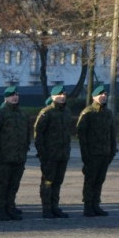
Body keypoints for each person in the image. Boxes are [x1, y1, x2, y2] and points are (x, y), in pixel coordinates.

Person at [0, 85, 30, 221]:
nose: (15, 97)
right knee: (2, 184)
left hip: (18, 156)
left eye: (16, 94)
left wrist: (25, 148)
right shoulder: (1, 113)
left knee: (14, 184)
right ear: (6, 97)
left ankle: (10, 207)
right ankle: (1, 210)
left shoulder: (22, 114)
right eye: (11, 95)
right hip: (4, 157)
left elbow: (27, 133)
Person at [77, 84, 118, 217]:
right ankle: (88, 205)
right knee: (90, 180)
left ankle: (96, 204)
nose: (104, 96)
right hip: (92, 153)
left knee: (100, 180)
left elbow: (112, 133)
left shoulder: (108, 113)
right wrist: (85, 155)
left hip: (105, 153)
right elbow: (82, 135)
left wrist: (112, 150)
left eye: (105, 94)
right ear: (94, 97)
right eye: (101, 94)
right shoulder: (88, 112)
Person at [34, 84, 73, 218]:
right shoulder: (46, 112)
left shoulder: (67, 112)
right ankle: (46, 208)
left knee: (58, 181)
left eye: (64, 94)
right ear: (53, 97)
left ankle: (54, 206)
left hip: (62, 153)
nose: (62, 97)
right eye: (59, 95)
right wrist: (42, 153)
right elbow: (38, 134)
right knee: (48, 182)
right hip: (49, 154)